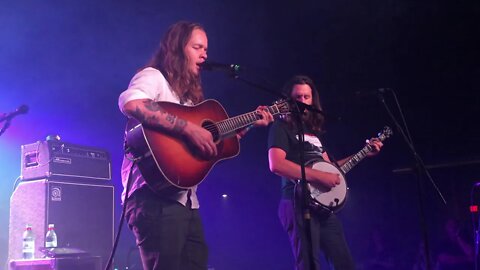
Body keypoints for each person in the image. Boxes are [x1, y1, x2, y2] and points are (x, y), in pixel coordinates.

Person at [118, 21, 273, 270]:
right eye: (197, 47)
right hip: (154, 198)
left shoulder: (188, 100)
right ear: (178, 49)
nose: (205, 55)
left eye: (206, 49)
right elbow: (132, 104)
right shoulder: (153, 77)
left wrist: (248, 125)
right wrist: (188, 129)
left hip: (186, 201)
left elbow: (204, 145)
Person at [267, 75, 384, 270]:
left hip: (322, 207)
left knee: (344, 264)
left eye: (307, 97)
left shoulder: (313, 131)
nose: (303, 101)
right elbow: (276, 164)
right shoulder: (281, 127)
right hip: (296, 203)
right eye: (298, 97)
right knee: (309, 266)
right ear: (288, 99)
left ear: (313, 100)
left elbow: (331, 169)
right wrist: (320, 176)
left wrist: (363, 153)